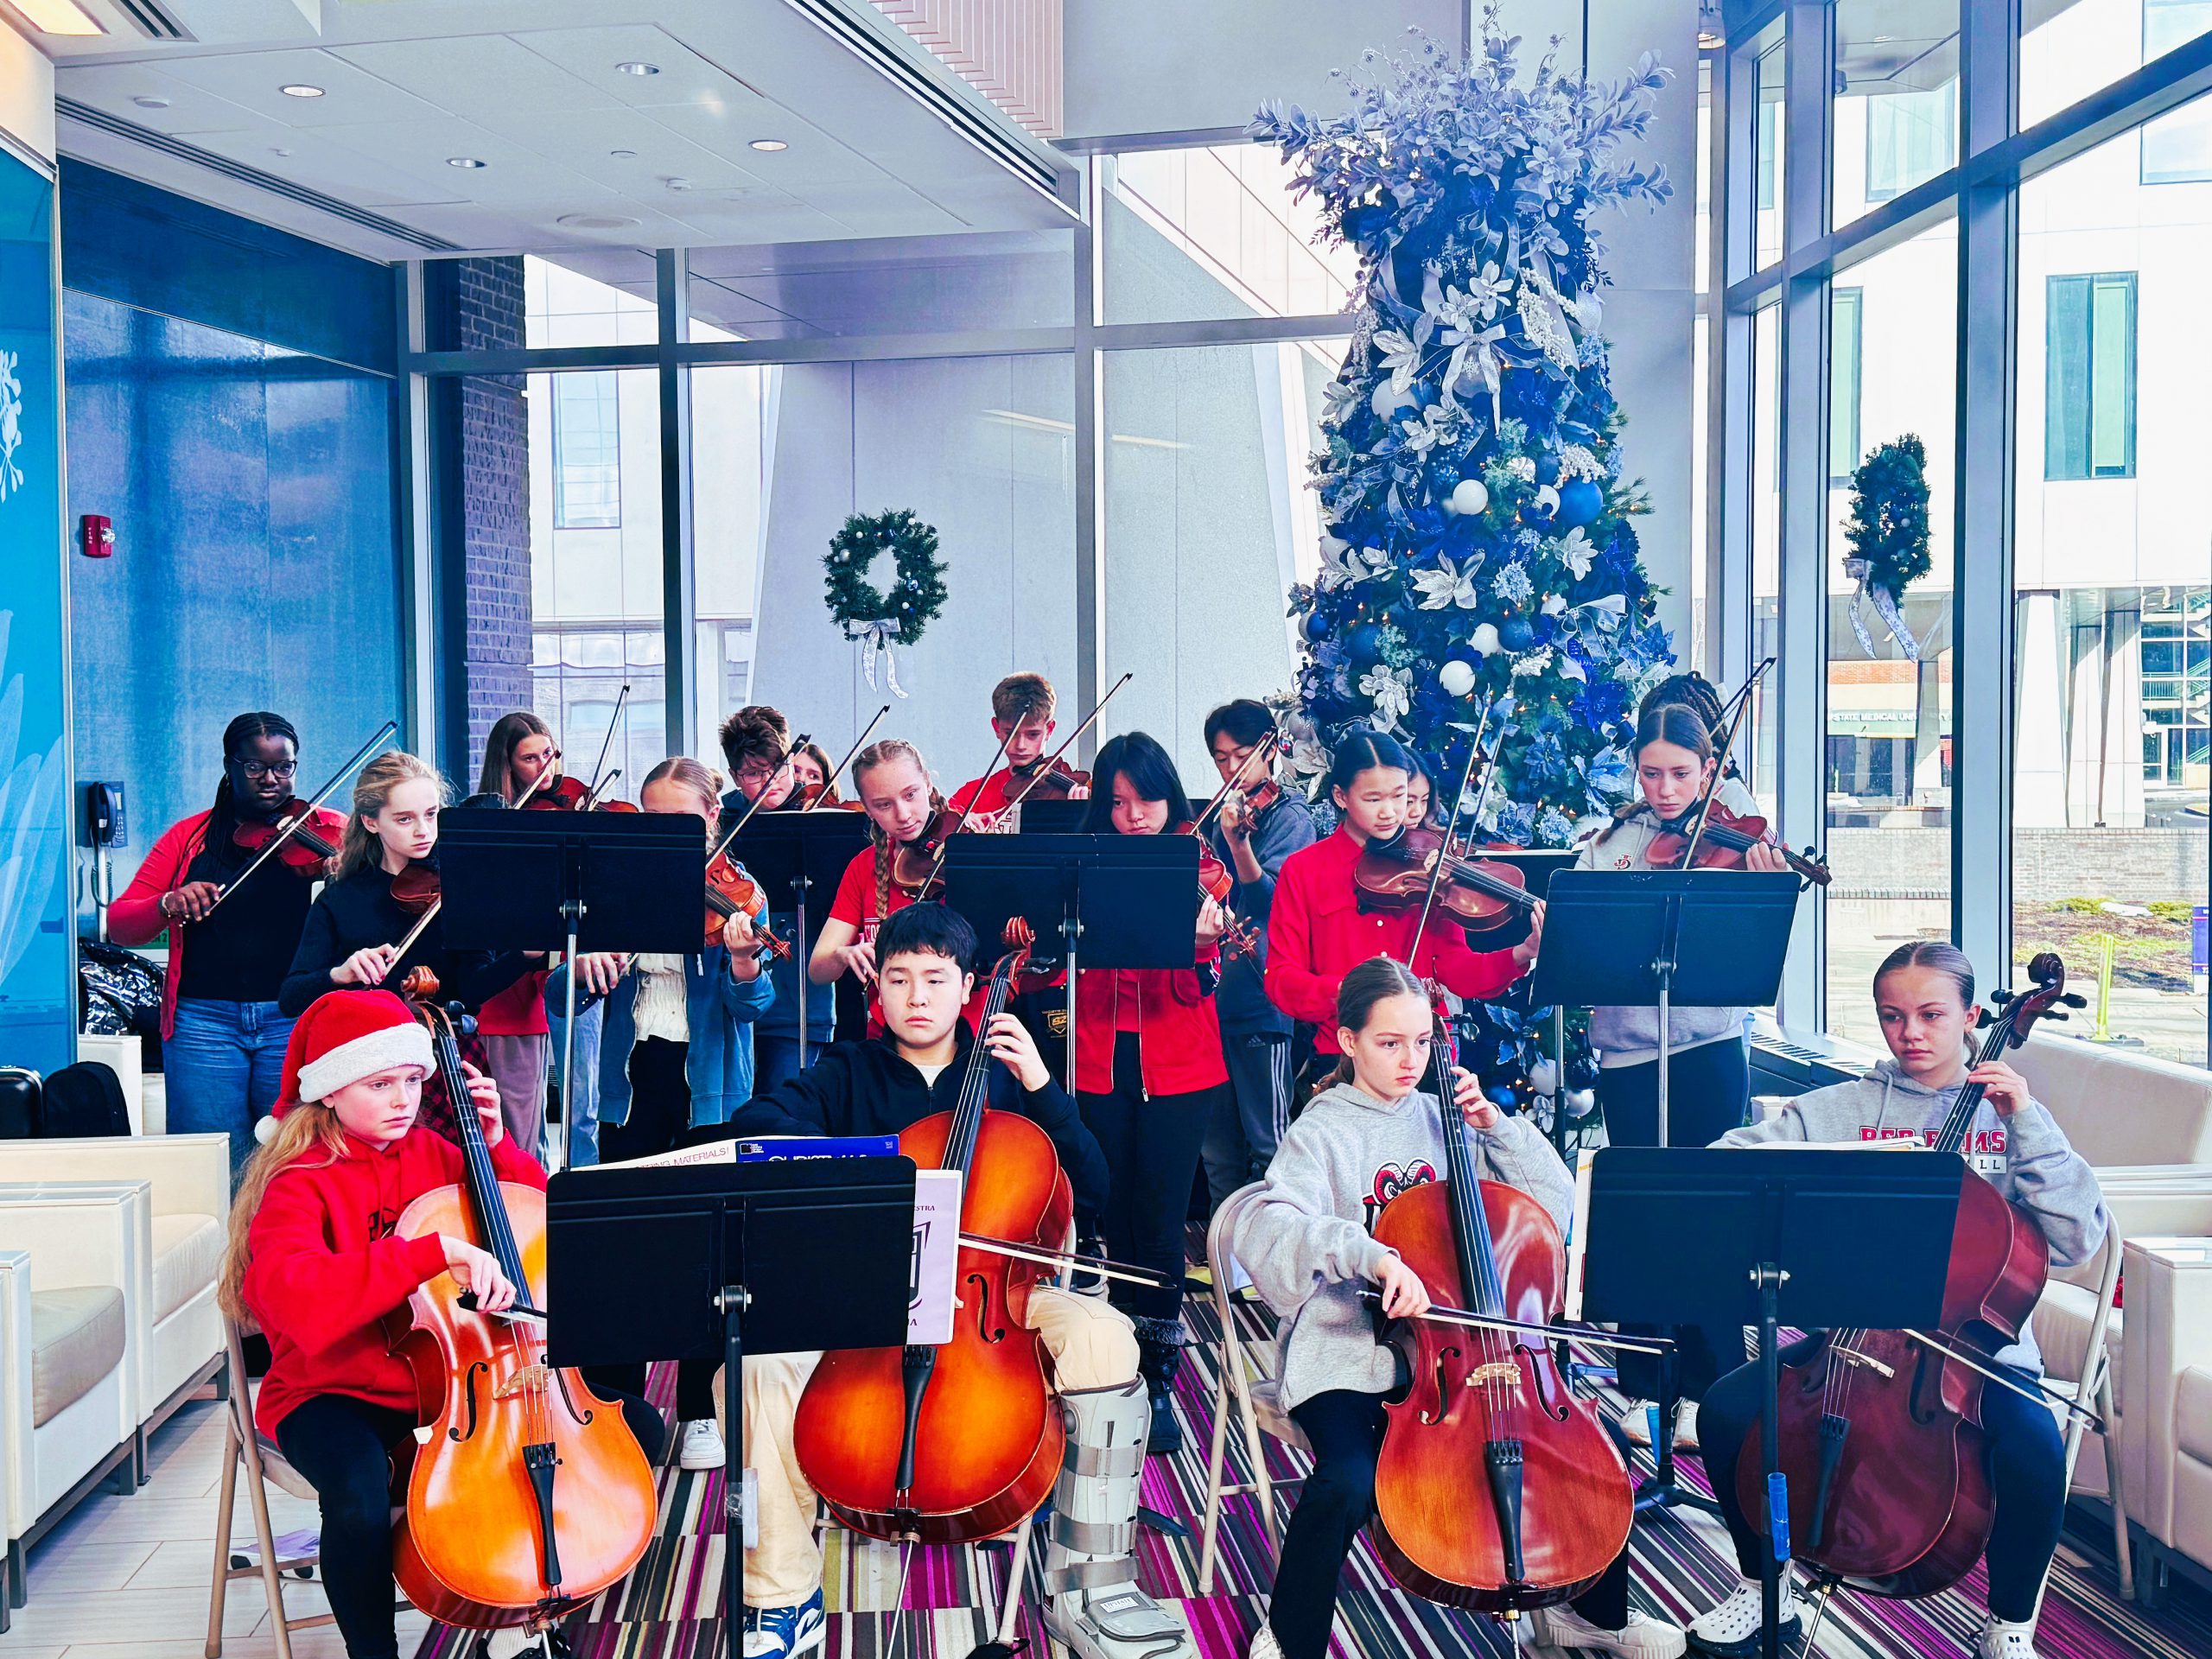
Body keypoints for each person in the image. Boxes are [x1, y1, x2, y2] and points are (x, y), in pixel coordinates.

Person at [719, 902, 1192, 1659]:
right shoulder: (846, 1070)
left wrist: (1042, 1085)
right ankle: (781, 1596)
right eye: (898, 978)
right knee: (755, 1366)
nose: (916, 997)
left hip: (994, 1294)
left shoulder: (1010, 1074)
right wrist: (850, 1166)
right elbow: (756, 1129)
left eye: (936, 979)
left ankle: (1090, 1584)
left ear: (970, 986)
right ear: (876, 988)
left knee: (1105, 1337)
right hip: (869, 1291)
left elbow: (1095, 1190)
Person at [1230, 958, 1685, 1659]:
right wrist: (1370, 1254)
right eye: (1389, 1043)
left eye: (1420, 1042)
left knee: (1597, 1450)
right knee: (1349, 1481)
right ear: (1348, 1040)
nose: (1409, 1060)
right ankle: (1291, 1637)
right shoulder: (1321, 1132)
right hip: (1347, 1349)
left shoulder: (1448, 1119)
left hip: (1465, 1354)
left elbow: (1552, 1208)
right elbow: (1272, 1229)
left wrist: (1497, 1127)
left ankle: (1589, 1615)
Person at [1683, 942, 2110, 1659]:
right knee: (1726, 1413)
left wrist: (2027, 1121)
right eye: (1892, 1016)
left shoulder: (2017, 1118)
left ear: (1970, 1017)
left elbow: (2076, 1241)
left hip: (1979, 1353)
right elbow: (1726, 1168)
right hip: (1851, 1340)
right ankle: (1765, 1587)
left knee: (2035, 1451)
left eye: (1930, 1015)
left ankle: (2009, 1627)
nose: (1909, 1033)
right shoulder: (1843, 1108)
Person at [219, 988, 667, 1659]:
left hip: (450, 1388)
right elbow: (289, 1298)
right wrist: (429, 1254)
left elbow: (532, 1227)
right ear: (331, 1091)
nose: (402, 1100)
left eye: (411, 1080)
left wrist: (497, 1146)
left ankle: (512, 1605)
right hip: (332, 1390)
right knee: (358, 1493)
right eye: (379, 1084)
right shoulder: (299, 1181)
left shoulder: (433, 1152)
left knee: (636, 1432)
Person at [575, 756, 774, 1472]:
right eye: (652, 819)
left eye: (680, 821)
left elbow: (753, 1008)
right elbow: (566, 995)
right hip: (631, 1082)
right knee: (624, 1241)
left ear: (713, 817)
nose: (663, 834)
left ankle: (698, 1409)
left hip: (709, 1084)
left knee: (707, 1245)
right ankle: (616, 1401)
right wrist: (582, 965)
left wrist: (745, 964)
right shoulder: (614, 887)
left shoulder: (741, 894)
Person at [1071, 731, 1233, 1451]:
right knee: (1112, 1212)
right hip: (1098, 1057)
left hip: (1181, 1062)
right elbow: (1055, 974)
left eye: (1147, 800)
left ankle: (1159, 1372)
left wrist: (1200, 949)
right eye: (1117, 803)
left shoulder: (1203, 869)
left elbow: (1205, 987)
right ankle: (1117, 1357)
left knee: (1162, 1219)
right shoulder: (1083, 867)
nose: (1134, 816)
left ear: (1171, 798)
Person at [111, 712, 342, 1182]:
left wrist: (347, 871)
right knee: (210, 1170)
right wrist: (167, 903)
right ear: (229, 766)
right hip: (203, 1024)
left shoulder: (330, 832)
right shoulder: (189, 837)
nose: (271, 779)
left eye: (284, 767)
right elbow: (121, 925)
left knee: (295, 1163)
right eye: (255, 767)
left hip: (294, 1018)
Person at [279, 751, 548, 1142]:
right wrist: (340, 974)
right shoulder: (339, 900)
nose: (423, 831)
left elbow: (470, 989)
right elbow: (291, 997)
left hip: (447, 1054)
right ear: (371, 822)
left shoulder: (459, 890)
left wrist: (523, 957)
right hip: (368, 1068)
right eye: (405, 819)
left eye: (431, 814)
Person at [1266, 729, 1539, 1100]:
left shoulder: (1430, 865)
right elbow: (1282, 980)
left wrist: (1522, 953)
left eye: (1400, 796)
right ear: (1341, 797)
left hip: (1424, 1059)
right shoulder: (1304, 871)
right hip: (1343, 1059)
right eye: (1373, 798)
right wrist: (1345, 991)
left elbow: (1457, 970)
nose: (1390, 812)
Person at [1199, 700, 1318, 1207]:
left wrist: (1239, 845)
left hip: (1260, 996)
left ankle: (1273, 1248)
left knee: (1269, 1148)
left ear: (1269, 748)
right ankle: (1224, 1250)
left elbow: (1273, 899)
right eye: (1221, 758)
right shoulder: (1217, 817)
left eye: (1242, 755)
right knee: (1218, 1153)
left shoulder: (1291, 817)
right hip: (1212, 1000)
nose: (1231, 768)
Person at [717, 704, 834, 1089]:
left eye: (779, 768)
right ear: (735, 775)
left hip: (801, 996)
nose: (771, 781)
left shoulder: (820, 815)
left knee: (787, 1102)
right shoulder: (722, 820)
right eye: (754, 773)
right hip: (735, 995)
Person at [469, 710, 564, 1158]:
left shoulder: (558, 817)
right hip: (486, 996)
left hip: (528, 999)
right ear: (505, 765)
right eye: (530, 758)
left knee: (524, 1139)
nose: (546, 767)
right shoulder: (483, 824)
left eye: (549, 754)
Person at [807, 737, 943, 1027]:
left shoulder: (960, 851)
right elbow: (818, 969)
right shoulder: (863, 867)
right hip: (885, 1035)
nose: (903, 815)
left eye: (911, 795)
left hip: (963, 1035)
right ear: (867, 809)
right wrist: (844, 954)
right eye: (883, 805)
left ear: (928, 783)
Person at [946, 671, 1088, 819]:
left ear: (1049, 730)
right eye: (1011, 733)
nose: (1021, 745)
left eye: (1033, 734)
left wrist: (1080, 817)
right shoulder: (971, 796)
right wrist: (968, 820)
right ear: (996, 728)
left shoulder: (1067, 793)